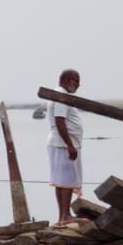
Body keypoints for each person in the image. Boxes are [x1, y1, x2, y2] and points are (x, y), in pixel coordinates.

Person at [47, 68, 83, 222]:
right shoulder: (61, 97)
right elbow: (59, 121)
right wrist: (70, 145)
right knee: (67, 180)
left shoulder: (58, 94)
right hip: (63, 144)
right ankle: (66, 215)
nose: (78, 84)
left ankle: (62, 216)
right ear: (68, 80)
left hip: (58, 143)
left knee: (61, 182)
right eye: (76, 81)